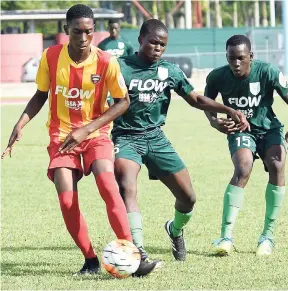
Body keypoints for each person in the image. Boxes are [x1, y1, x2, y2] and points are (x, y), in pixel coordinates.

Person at [1, 4, 158, 277]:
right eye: (77, 32)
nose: (83, 38)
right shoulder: (50, 57)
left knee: (108, 184)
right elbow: (41, 95)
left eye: (88, 32)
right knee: (66, 200)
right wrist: (20, 123)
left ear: (94, 31)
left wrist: (87, 129)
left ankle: (133, 255)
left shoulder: (106, 61)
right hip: (61, 136)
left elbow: (123, 102)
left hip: (96, 134)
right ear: (66, 31)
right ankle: (90, 260)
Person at [111, 19, 250, 262]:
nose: (157, 48)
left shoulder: (169, 70)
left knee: (188, 198)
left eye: (162, 45)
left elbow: (195, 99)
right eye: (153, 42)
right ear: (140, 40)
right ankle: (138, 250)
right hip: (126, 137)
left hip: (156, 138)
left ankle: (174, 230)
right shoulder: (119, 67)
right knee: (127, 186)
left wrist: (226, 109)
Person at [204, 34, 288, 256]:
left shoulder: (268, 71)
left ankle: (267, 236)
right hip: (241, 130)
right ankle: (226, 237)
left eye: (241, 58)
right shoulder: (217, 77)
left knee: (278, 166)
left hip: (269, 129)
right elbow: (206, 102)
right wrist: (214, 121)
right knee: (243, 168)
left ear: (251, 56)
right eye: (231, 58)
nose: (236, 63)